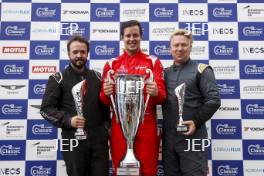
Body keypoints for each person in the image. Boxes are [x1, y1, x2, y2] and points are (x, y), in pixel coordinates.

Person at [100, 20, 166, 176]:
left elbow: (163, 97)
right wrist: (105, 92)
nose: (132, 39)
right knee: (122, 169)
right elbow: (104, 100)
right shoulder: (111, 64)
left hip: (146, 124)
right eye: (128, 35)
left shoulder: (153, 62)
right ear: (122, 37)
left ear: (141, 37)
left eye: (135, 35)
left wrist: (156, 92)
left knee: (148, 170)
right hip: (119, 126)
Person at [40, 36, 110, 176]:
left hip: (98, 140)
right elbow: (45, 109)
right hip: (71, 139)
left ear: (87, 53)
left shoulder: (97, 77)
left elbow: (105, 107)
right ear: (69, 54)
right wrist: (68, 120)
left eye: (83, 52)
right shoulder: (57, 78)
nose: (79, 55)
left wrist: (106, 129)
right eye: (75, 52)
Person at [162, 29, 221, 176]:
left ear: (190, 47)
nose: (180, 49)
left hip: (193, 139)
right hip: (169, 140)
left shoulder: (202, 70)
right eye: (176, 45)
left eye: (184, 45)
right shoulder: (164, 73)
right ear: (170, 48)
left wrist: (195, 121)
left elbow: (213, 100)